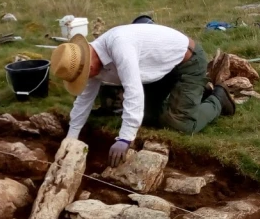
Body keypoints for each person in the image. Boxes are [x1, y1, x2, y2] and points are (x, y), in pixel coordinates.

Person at [51, 23, 235, 166]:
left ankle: (218, 98)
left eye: (84, 76)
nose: (86, 80)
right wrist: (70, 138)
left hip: (186, 63)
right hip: (157, 70)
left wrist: (125, 138)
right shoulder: (90, 61)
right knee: (146, 116)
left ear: (88, 66)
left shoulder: (119, 46)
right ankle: (192, 95)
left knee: (180, 124)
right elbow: (84, 99)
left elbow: (133, 90)